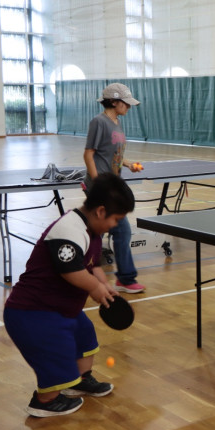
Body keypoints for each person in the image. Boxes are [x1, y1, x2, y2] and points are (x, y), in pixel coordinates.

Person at [4, 173, 135, 417]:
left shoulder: (93, 232)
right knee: (56, 355)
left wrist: (103, 284)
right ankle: (44, 401)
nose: (116, 224)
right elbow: (70, 269)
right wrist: (94, 289)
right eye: (116, 219)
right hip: (33, 312)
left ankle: (79, 381)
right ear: (100, 211)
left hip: (61, 309)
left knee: (84, 336)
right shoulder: (68, 230)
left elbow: (93, 265)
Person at [83, 83, 145, 293]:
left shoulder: (117, 123)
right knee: (107, 232)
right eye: (126, 103)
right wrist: (98, 183)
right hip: (100, 186)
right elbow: (89, 154)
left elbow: (111, 154)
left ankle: (122, 278)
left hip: (111, 185)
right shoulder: (98, 122)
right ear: (114, 101)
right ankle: (112, 277)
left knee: (118, 231)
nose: (129, 107)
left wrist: (128, 164)